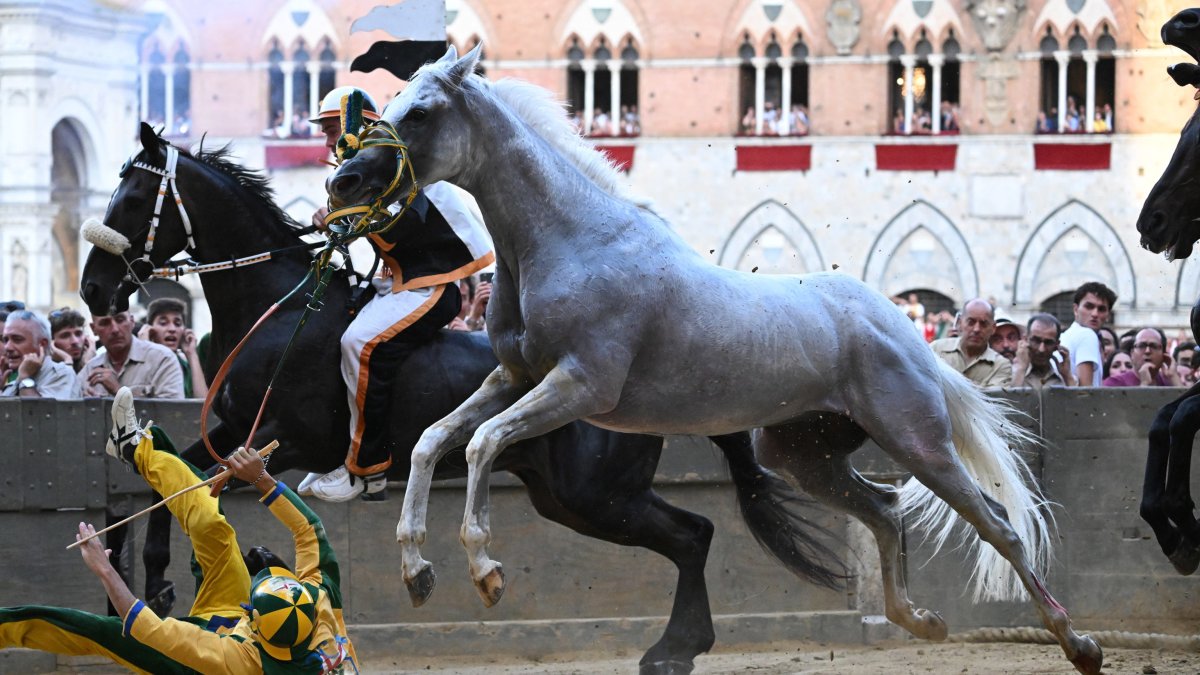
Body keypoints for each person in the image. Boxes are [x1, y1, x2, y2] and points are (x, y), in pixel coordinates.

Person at [0, 387, 358, 672]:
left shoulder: (240, 663)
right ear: (313, 611)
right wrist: (260, 478)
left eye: (253, 606)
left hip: (198, 663)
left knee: (100, 632)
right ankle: (134, 447)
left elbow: (144, 625)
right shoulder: (322, 605)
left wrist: (105, 570)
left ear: (257, 627)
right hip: (233, 624)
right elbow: (310, 528)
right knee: (208, 520)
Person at [300, 86, 494, 502]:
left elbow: (400, 221)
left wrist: (339, 218)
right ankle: (337, 448)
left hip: (431, 285)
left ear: (361, 125)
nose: (328, 140)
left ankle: (366, 469)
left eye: (332, 129)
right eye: (325, 131)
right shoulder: (361, 167)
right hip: (398, 281)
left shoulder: (399, 162)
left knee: (358, 343)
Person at [75, 311, 184, 399]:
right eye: (105, 323)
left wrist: (119, 392)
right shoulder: (89, 370)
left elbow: (171, 418)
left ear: (132, 322)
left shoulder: (162, 359)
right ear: (94, 329)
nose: (115, 329)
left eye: (120, 320)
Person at [929, 298, 1012, 387]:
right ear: (960, 323)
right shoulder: (936, 349)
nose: (976, 329)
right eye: (970, 322)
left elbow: (992, 399)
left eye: (984, 324)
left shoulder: (1000, 365)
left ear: (993, 328)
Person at [142, 298, 208, 399]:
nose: (172, 329)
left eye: (177, 324)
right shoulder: (140, 360)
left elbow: (203, 404)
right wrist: (145, 348)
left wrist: (192, 354)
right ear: (150, 330)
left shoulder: (186, 365)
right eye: (163, 323)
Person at [1, 310, 76, 398]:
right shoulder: (13, 383)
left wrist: (25, 379)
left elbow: (37, 411)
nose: (8, 347)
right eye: (5, 340)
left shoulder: (62, 374)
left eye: (17, 339)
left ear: (42, 344)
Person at [1059, 282, 1116, 387]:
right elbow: (1085, 393)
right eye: (1089, 306)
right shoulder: (1087, 335)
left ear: (1108, 314)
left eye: (1101, 309)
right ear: (1076, 309)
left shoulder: (1065, 336)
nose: (1095, 314)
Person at [1010, 314, 1074, 389]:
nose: (1041, 349)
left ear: (1057, 345)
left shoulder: (1065, 378)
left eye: (1048, 343)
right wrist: (1020, 371)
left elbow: (1079, 399)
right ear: (1025, 339)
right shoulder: (1008, 372)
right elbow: (1009, 400)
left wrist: (1067, 377)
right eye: (1036, 341)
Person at [1103, 327, 1181, 387]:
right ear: (1132, 353)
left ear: (1164, 354)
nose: (1147, 351)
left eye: (1153, 346)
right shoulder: (1114, 383)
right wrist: (1144, 384)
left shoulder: (1169, 381)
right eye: (1141, 346)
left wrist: (1173, 376)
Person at [49, 307, 94, 373]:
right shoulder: (45, 370)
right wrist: (68, 361)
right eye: (65, 336)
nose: (75, 341)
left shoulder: (100, 362)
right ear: (52, 342)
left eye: (78, 334)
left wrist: (87, 363)